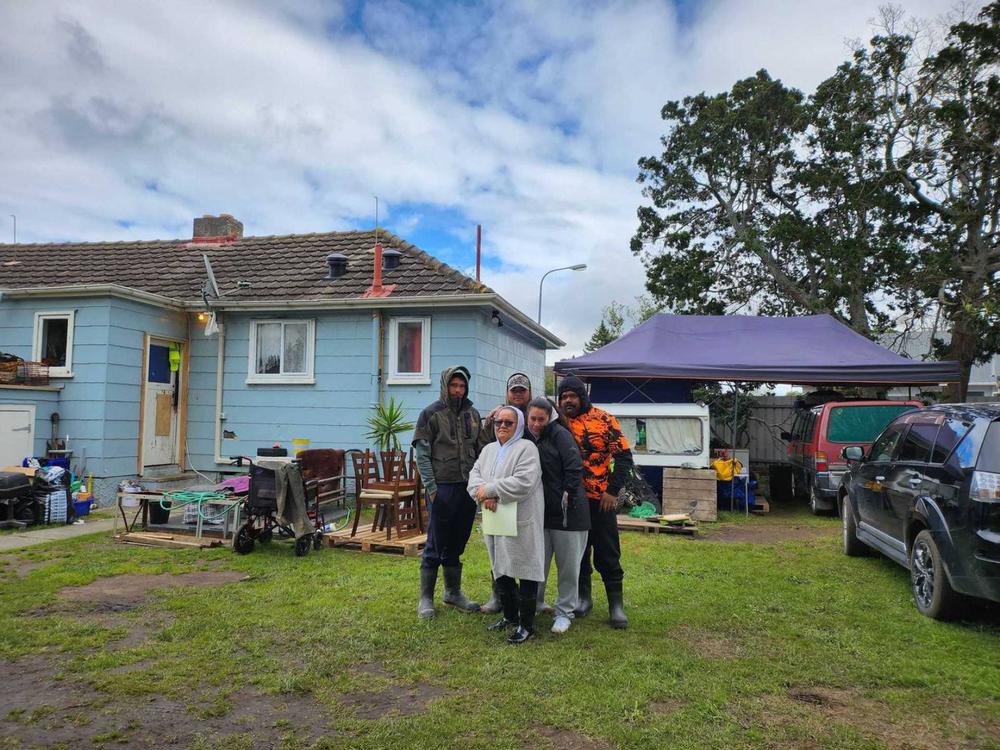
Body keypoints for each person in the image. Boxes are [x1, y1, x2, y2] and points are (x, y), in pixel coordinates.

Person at [557, 375, 633, 629]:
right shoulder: (558, 422)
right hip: (571, 500)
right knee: (578, 553)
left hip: (601, 501)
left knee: (607, 552)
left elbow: (624, 457)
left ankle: (616, 606)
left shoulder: (604, 419)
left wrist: (612, 491)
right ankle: (583, 599)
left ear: (582, 396)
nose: (568, 401)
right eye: (564, 397)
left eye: (572, 396)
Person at [412, 366, 486, 619]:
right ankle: (426, 598)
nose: (458, 391)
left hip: (467, 488)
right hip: (441, 487)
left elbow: (481, 449)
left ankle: (452, 592)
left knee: (458, 540)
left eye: (462, 386)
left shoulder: (473, 414)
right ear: (445, 386)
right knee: (435, 542)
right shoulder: (430, 414)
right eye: (454, 385)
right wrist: (432, 489)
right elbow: (422, 455)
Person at [468, 405, 545, 644]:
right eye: (498, 422)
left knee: (526, 568)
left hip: (521, 518)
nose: (502, 426)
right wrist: (484, 495)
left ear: (518, 425)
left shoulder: (527, 448)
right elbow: (474, 478)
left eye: (508, 423)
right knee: (500, 567)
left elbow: (524, 482)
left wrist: (491, 490)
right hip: (494, 518)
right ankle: (510, 617)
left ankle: (526, 625)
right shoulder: (488, 450)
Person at [525, 396, 590, 634]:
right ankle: (536, 602)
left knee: (568, 568)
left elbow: (574, 467)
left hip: (569, 514)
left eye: (541, 419)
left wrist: (567, 496)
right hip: (541, 512)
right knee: (537, 563)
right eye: (532, 419)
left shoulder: (561, 435)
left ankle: (564, 613)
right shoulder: (527, 437)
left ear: (550, 417)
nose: (536, 424)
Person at [479, 372, 533, 614]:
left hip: (527, 498)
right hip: (495, 502)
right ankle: (500, 597)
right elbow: (484, 459)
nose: (518, 394)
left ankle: (529, 603)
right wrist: (486, 492)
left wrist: (492, 490)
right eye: (514, 390)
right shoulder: (498, 416)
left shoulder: (536, 416)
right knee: (497, 550)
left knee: (525, 552)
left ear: (529, 392)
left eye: (522, 390)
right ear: (508, 393)